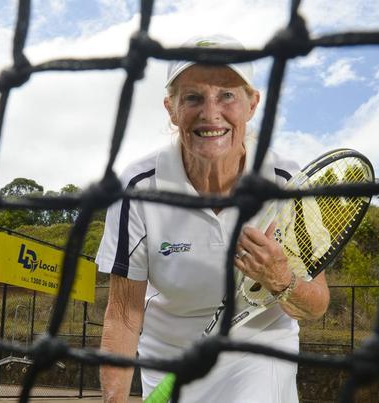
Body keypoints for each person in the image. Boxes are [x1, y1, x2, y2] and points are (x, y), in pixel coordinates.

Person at [95, 34, 330, 402]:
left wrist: (281, 279)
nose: (210, 113)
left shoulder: (286, 182)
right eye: (192, 97)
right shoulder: (137, 188)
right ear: (171, 109)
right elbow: (123, 315)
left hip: (261, 347)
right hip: (170, 357)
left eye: (227, 95)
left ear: (252, 104)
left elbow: (316, 303)